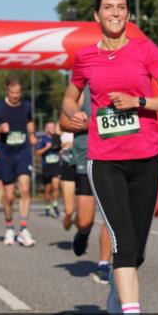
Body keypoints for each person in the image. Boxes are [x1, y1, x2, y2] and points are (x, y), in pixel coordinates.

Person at [62, 0, 158, 315]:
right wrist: (72, 115)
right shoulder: (85, 58)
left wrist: (139, 101)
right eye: (108, 7)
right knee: (124, 243)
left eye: (121, 7)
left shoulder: (145, 51)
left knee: (137, 249)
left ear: (128, 15)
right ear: (96, 15)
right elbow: (69, 98)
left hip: (146, 159)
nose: (115, 13)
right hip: (105, 161)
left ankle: (118, 286)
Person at [0, 75, 37, 247]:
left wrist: (32, 135)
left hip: (23, 153)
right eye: (12, 93)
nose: (16, 96)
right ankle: (9, 227)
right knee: (8, 197)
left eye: (18, 93)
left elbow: (30, 121)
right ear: (7, 91)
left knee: (25, 190)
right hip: (6, 155)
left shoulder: (26, 105)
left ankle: (23, 228)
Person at [60, 87, 101, 272]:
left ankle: (106, 264)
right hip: (87, 157)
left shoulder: (122, 84)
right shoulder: (83, 90)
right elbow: (63, 123)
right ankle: (83, 233)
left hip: (117, 155)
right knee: (84, 221)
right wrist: (91, 125)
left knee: (114, 219)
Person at [36, 121, 62, 217]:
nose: (52, 129)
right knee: (48, 189)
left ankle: (55, 205)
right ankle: (47, 207)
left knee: (56, 186)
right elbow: (37, 153)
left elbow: (61, 149)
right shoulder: (43, 139)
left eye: (53, 127)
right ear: (46, 129)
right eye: (50, 127)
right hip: (47, 166)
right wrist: (46, 148)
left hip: (56, 165)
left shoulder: (57, 138)